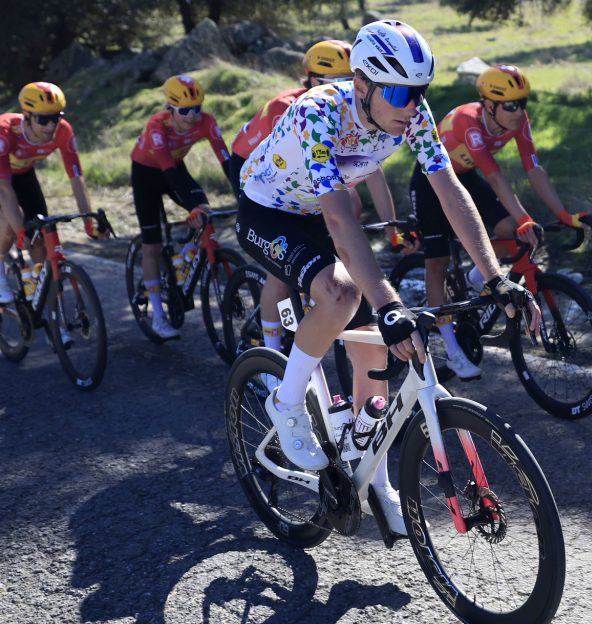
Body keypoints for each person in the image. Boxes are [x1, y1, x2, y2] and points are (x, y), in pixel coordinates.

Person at [237, 20, 540, 533]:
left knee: (376, 343)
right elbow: (340, 221)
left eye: (420, 92)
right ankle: (286, 402)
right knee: (342, 294)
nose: (411, 105)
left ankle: (373, 478)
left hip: (319, 212)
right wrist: (387, 303)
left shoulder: (412, 113)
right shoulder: (318, 112)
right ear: (361, 84)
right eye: (399, 93)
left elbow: (450, 192)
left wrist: (495, 278)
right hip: (269, 212)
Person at [410, 64, 590, 379]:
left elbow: (534, 169)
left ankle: (477, 276)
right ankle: (453, 352)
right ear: (489, 105)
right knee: (437, 263)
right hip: (430, 181)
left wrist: (564, 215)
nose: (518, 111)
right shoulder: (468, 121)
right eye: (510, 105)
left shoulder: (518, 121)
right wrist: (525, 218)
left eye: (522, 103)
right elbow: (494, 177)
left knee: (510, 232)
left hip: (464, 177)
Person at [229, 39, 408, 354]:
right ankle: (272, 350)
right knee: (278, 273)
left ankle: (318, 294)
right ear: (310, 79)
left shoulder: (353, 110)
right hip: (258, 176)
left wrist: (391, 227)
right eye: (330, 80)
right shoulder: (293, 108)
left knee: (349, 207)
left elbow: (370, 170)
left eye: (347, 78)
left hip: (302, 184)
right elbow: (291, 170)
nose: (342, 87)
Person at [0, 81, 104, 304]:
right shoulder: (4, 130)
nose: (51, 126)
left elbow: (76, 179)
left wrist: (89, 223)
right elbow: (3, 188)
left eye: (55, 117)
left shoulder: (63, 131)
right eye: (43, 119)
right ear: (26, 116)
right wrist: (19, 230)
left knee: (39, 238)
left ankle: (43, 299)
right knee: (10, 225)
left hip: (23, 172)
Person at [130, 74, 231, 340]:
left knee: (205, 212)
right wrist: (191, 207)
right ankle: (158, 316)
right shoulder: (157, 126)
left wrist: (245, 195)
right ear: (170, 109)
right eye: (184, 110)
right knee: (151, 245)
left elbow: (226, 161)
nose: (192, 116)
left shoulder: (206, 121)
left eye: (197, 108)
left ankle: (186, 256)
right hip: (147, 174)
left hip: (175, 168)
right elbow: (167, 171)